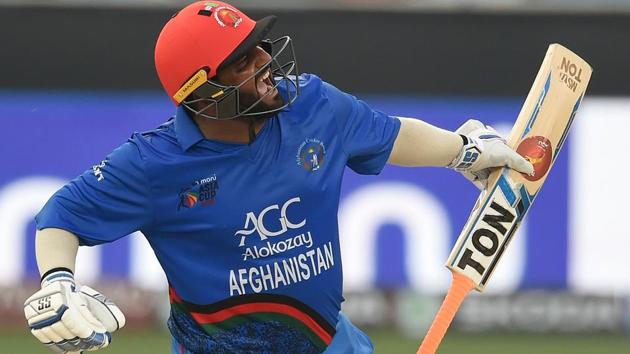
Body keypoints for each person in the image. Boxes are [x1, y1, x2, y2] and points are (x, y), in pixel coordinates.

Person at [23, 1, 533, 353]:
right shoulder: (153, 164)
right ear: (201, 93)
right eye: (242, 59)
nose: (266, 60)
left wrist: (464, 152)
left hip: (330, 341)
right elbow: (60, 215)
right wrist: (58, 280)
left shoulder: (313, 104)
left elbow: (391, 134)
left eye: (258, 45)